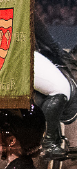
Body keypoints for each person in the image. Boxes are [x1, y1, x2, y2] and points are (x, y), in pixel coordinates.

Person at [30, 18, 77, 160]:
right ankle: (48, 143)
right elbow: (33, 20)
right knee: (61, 88)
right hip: (16, 52)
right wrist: (56, 48)